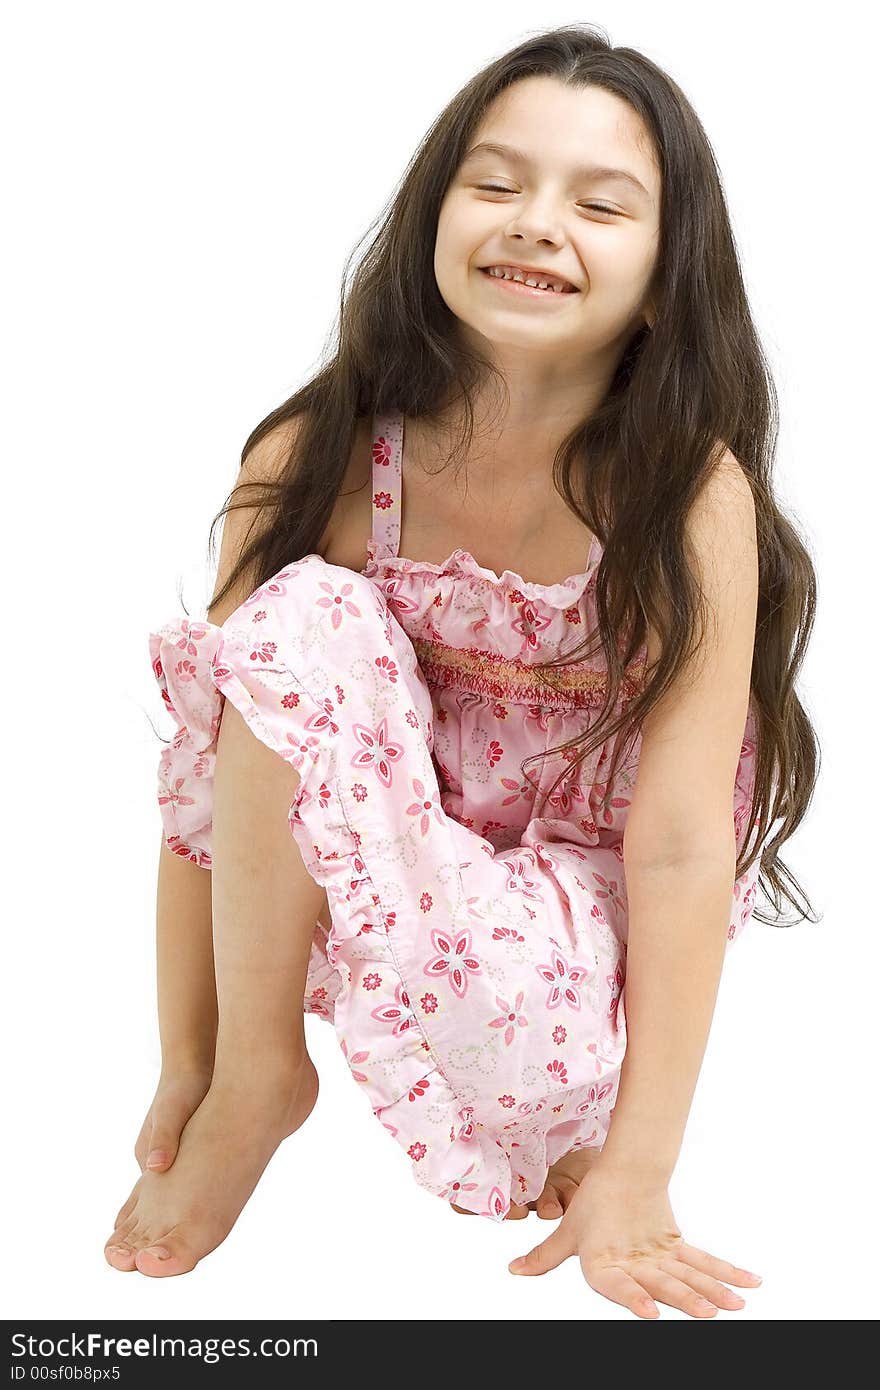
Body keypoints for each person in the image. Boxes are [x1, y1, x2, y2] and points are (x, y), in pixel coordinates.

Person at [104, 24, 819, 1318]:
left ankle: (565, 1121)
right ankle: (275, 1077)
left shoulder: (681, 491)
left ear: (665, 280)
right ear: (433, 223)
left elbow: (673, 845)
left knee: (533, 1050)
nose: (539, 222)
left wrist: (643, 1164)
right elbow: (205, 799)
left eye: (600, 204)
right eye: (496, 184)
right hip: (367, 881)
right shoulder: (318, 457)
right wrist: (196, 1064)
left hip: (565, 927)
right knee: (288, 621)